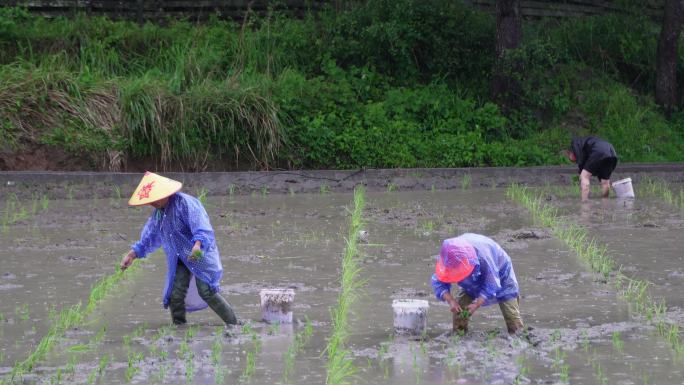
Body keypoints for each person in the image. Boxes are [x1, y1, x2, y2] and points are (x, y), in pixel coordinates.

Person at [120, 172, 238, 326]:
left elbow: (202, 227)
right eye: (150, 200)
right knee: (175, 294)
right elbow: (150, 238)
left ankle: (234, 324)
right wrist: (132, 254)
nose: (152, 203)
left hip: (199, 253)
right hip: (180, 258)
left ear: (165, 193)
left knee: (206, 291)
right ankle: (179, 327)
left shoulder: (186, 203)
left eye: (155, 198)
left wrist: (197, 245)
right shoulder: (158, 215)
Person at [431, 233, 523, 334]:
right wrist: (451, 301)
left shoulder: (484, 257)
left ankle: (518, 335)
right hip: (471, 279)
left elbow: (492, 283)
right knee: (460, 308)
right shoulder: (449, 257)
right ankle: (459, 334)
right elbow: (439, 282)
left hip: (500, 273)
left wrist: (476, 304)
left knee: (510, 312)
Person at [563, 136, 618, 201]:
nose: (571, 160)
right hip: (611, 151)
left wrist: (582, 175)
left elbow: (581, 162)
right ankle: (605, 202)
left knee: (584, 176)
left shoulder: (575, 145)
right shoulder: (583, 145)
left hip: (598, 149)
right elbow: (587, 163)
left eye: (569, 157)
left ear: (569, 152)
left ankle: (584, 202)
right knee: (605, 181)